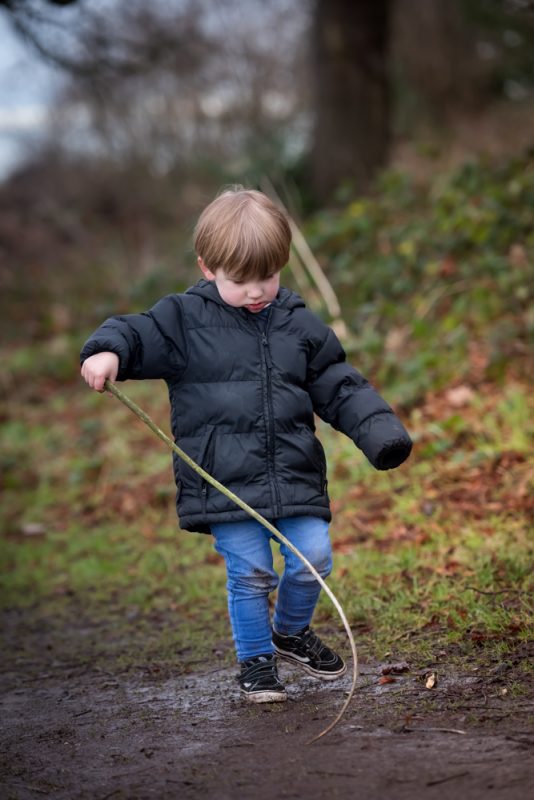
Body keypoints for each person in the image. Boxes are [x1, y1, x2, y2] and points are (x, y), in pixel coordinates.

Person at [80, 188, 412, 704]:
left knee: (314, 558)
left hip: (294, 474)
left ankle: (290, 632)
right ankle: (257, 661)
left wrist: (379, 433)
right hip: (226, 481)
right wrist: (107, 353)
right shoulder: (182, 321)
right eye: (241, 281)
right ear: (207, 267)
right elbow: (134, 332)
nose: (258, 291)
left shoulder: (297, 323)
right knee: (252, 571)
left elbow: (338, 382)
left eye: (269, 277)